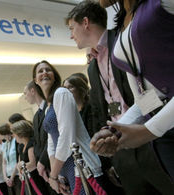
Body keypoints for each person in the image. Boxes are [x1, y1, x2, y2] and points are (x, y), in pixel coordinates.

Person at [90, 0, 174, 191]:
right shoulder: (123, 24)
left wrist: (149, 130)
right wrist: (116, 129)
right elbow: (147, 98)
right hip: (163, 135)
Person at [33, 60, 103, 194]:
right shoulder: (48, 108)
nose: (44, 73)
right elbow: (51, 144)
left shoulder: (62, 93)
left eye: (48, 69)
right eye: (40, 71)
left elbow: (66, 138)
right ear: (35, 80)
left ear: (55, 76)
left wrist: (53, 175)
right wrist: (57, 175)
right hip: (64, 169)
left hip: (81, 165)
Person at [11, 120, 49, 195]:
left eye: (14, 134)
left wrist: (21, 167)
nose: (13, 136)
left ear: (20, 133)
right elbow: (19, 164)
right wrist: (20, 169)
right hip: (27, 177)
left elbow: (33, 163)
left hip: (35, 177)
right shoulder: (21, 146)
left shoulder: (31, 143)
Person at [0, 123, 21, 195]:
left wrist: (12, 177)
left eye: (0, 134)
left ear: (5, 133)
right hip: (8, 176)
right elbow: (4, 162)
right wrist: (5, 177)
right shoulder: (4, 144)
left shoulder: (16, 141)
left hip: (16, 174)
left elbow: (18, 159)